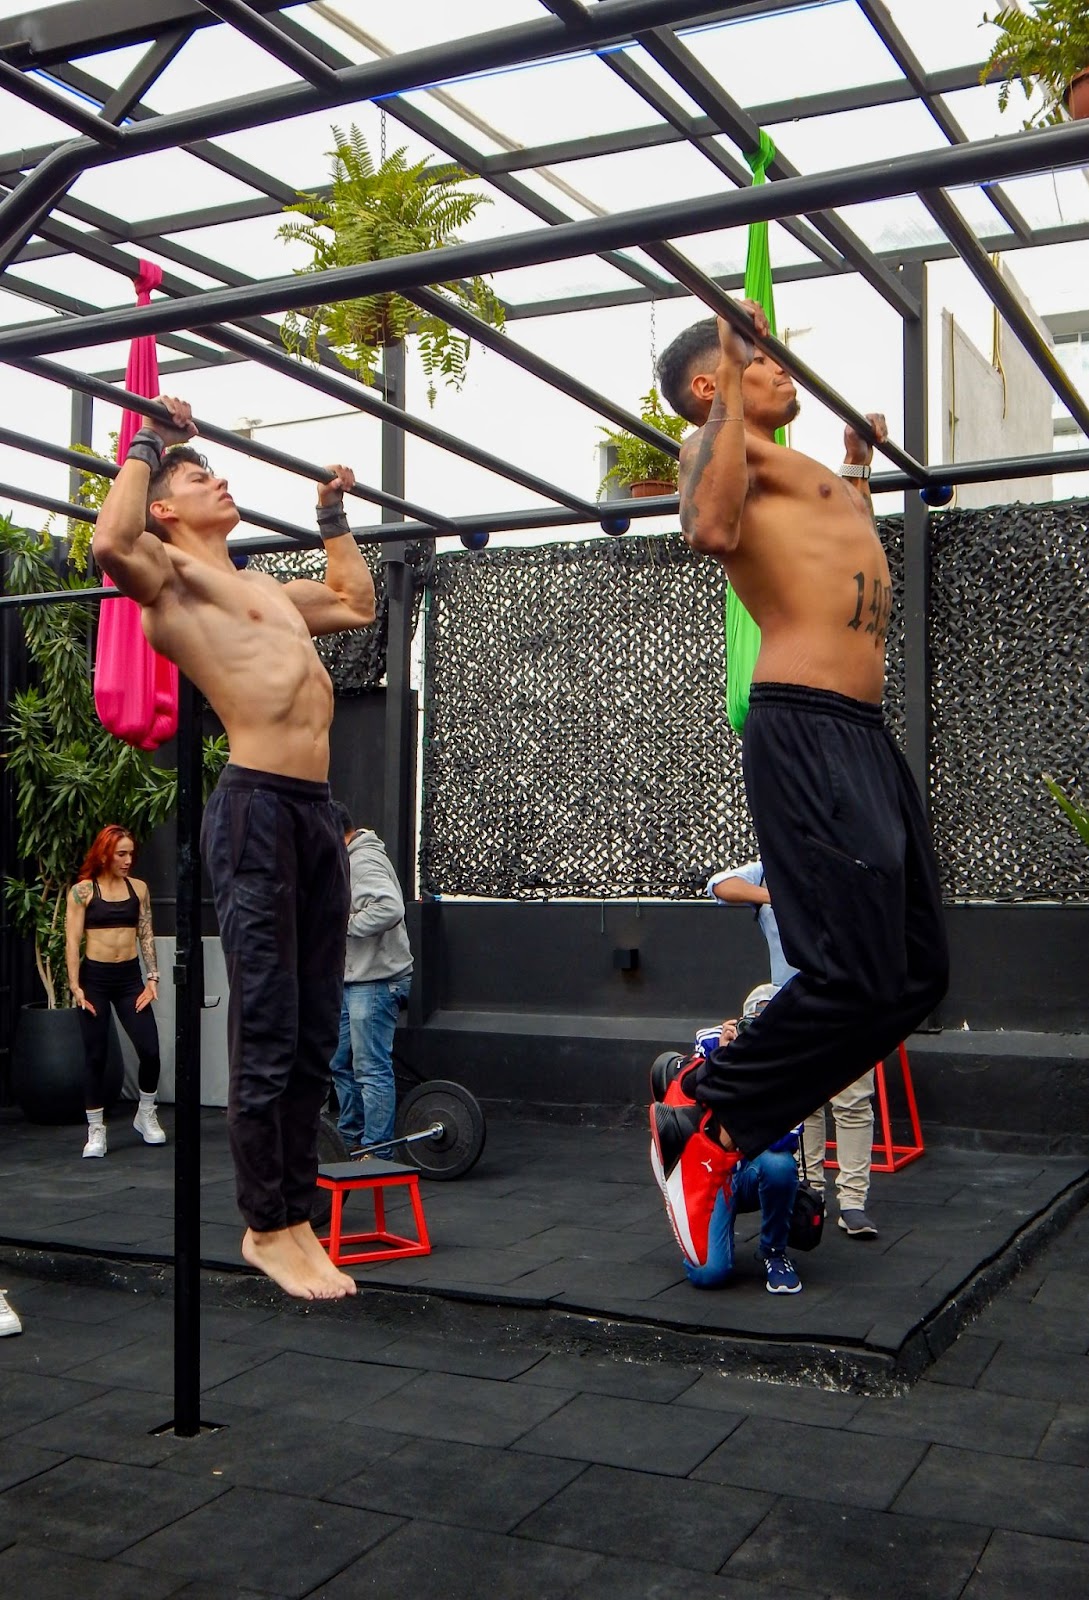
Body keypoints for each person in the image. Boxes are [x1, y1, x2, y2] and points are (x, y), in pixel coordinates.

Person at [651, 306, 948, 1188]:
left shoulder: (798, 467)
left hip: (860, 729)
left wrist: (855, 466)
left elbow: (842, 557)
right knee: (848, 969)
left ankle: (725, 1108)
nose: (783, 371)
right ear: (712, 386)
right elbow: (705, 529)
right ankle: (704, 1107)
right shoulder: (719, 451)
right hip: (806, 719)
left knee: (915, 973)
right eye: (759, 362)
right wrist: (727, 381)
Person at [92, 396, 376, 1302]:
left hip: (314, 813)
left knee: (313, 1026)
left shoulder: (268, 589)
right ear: (166, 507)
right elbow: (109, 545)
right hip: (253, 807)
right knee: (266, 1023)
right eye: (197, 474)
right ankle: (269, 1225)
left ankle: (299, 1211)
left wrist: (331, 515)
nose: (219, 477)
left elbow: (354, 603)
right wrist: (148, 441)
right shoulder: (167, 577)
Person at [708, 860, 879, 1238]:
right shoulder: (769, 866)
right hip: (794, 1005)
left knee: (853, 1101)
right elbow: (719, 885)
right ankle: (810, 1191)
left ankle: (852, 1202)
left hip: (847, 1002)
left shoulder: (843, 861)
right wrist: (774, 897)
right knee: (804, 1104)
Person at [651, 987, 802, 1294]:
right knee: (709, 1275)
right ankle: (702, 1222)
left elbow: (783, 1142)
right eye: (754, 1023)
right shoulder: (713, 1041)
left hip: (750, 1172)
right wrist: (726, 1057)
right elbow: (688, 1095)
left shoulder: (793, 1058)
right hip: (710, 1169)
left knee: (779, 1165)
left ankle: (774, 1251)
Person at [65, 824, 165, 1158]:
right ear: (105, 853)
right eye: (121, 853)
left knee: (150, 1049)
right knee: (95, 1054)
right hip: (95, 979)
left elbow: (146, 933)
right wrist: (76, 986)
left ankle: (146, 1113)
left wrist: (153, 978)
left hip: (128, 979)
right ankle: (96, 1131)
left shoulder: (138, 888)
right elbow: (72, 940)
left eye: (130, 854)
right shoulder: (83, 891)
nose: (127, 860)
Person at [328, 802, 413, 1158]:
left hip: (376, 982)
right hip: (357, 981)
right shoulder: (351, 859)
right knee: (339, 1062)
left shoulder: (361, 863)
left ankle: (378, 1152)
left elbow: (391, 907)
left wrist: (342, 927)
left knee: (370, 1068)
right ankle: (351, 1141)